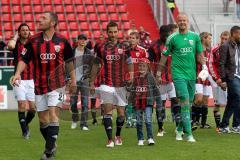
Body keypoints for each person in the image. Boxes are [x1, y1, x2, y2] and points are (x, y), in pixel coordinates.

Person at [11, 12, 76, 159]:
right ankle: (52, 144)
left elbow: (70, 62)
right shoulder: (33, 40)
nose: (39, 20)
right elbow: (23, 59)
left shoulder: (63, 41)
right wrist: (17, 73)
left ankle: (47, 153)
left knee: (53, 114)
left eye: (43, 18)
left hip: (57, 84)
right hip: (39, 84)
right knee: (42, 121)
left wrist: (73, 80)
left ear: (52, 23)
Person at [159, 12, 206, 142]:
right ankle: (189, 134)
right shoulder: (172, 38)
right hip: (178, 75)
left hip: (191, 75)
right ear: (177, 22)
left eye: (184, 20)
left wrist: (204, 66)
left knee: (188, 105)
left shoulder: (195, 37)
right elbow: (164, 56)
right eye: (180, 21)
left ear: (188, 22)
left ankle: (179, 129)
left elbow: (199, 54)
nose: (182, 22)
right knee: (184, 100)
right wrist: (158, 73)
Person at [90, 21, 134, 148]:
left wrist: (131, 75)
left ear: (118, 32)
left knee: (121, 113)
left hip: (121, 84)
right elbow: (95, 64)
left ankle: (118, 135)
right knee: (107, 110)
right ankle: (110, 139)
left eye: (115, 32)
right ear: (107, 32)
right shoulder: (100, 46)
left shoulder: (125, 46)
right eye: (110, 32)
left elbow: (130, 61)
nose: (113, 34)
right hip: (105, 83)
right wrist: (91, 82)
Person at [148, 25, 180, 137]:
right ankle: (161, 128)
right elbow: (149, 63)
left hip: (172, 78)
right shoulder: (153, 46)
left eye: (169, 34)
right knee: (161, 104)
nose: (167, 37)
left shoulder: (173, 44)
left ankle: (177, 127)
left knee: (175, 101)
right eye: (165, 35)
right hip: (159, 80)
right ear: (160, 34)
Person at [7, 23, 36, 139]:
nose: (25, 32)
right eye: (22, 30)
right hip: (19, 79)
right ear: (19, 32)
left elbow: (39, 43)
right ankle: (25, 131)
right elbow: (10, 46)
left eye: (27, 30)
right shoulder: (16, 43)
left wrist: (33, 36)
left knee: (33, 109)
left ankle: (25, 123)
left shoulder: (32, 44)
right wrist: (15, 36)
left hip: (31, 80)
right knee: (22, 104)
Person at [128, 58, 160, 146]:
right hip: (137, 103)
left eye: (144, 66)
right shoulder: (136, 77)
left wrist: (158, 102)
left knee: (148, 120)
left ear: (147, 67)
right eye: (140, 66)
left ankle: (150, 138)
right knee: (139, 122)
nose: (141, 67)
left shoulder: (150, 77)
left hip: (148, 102)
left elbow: (156, 90)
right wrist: (130, 101)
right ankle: (140, 139)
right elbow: (133, 90)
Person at [70, 34, 95, 130]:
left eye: (84, 39)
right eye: (81, 39)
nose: (83, 41)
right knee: (73, 103)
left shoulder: (89, 53)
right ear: (77, 40)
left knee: (85, 103)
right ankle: (75, 119)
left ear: (86, 41)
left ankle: (84, 124)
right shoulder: (72, 52)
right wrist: (68, 79)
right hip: (74, 81)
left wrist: (91, 81)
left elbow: (93, 68)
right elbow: (67, 66)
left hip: (84, 80)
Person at [219, 26, 240, 133]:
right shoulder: (225, 46)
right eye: (239, 34)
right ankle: (236, 125)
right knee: (238, 97)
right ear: (234, 34)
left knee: (232, 100)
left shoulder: (238, 45)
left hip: (239, 76)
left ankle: (224, 126)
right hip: (232, 76)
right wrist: (223, 79)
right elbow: (221, 63)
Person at [125, 31, 149, 128]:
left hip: (139, 79)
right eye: (130, 38)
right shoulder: (125, 51)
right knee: (128, 99)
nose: (131, 39)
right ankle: (128, 120)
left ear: (138, 40)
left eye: (133, 38)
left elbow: (147, 64)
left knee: (137, 99)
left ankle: (135, 119)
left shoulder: (142, 51)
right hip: (128, 78)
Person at [209, 31, 230, 132]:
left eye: (226, 39)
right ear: (220, 38)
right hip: (218, 81)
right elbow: (211, 65)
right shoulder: (214, 49)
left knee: (234, 102)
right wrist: (217, 79)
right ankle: (218, 126)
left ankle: (233, 124)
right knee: (217, 104)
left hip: (230, 80)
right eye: (222, 38)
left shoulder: (233, 49)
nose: (224, 41)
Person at [192, 32, 212, 129]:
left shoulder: (209, 51)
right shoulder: (196, 50)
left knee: (205, 101)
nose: (210, 40)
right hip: (198, 77)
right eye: (209, 38)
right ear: (204, 39)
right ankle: (193, 120)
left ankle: (203, 123)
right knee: (198, 99)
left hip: (207, 79)